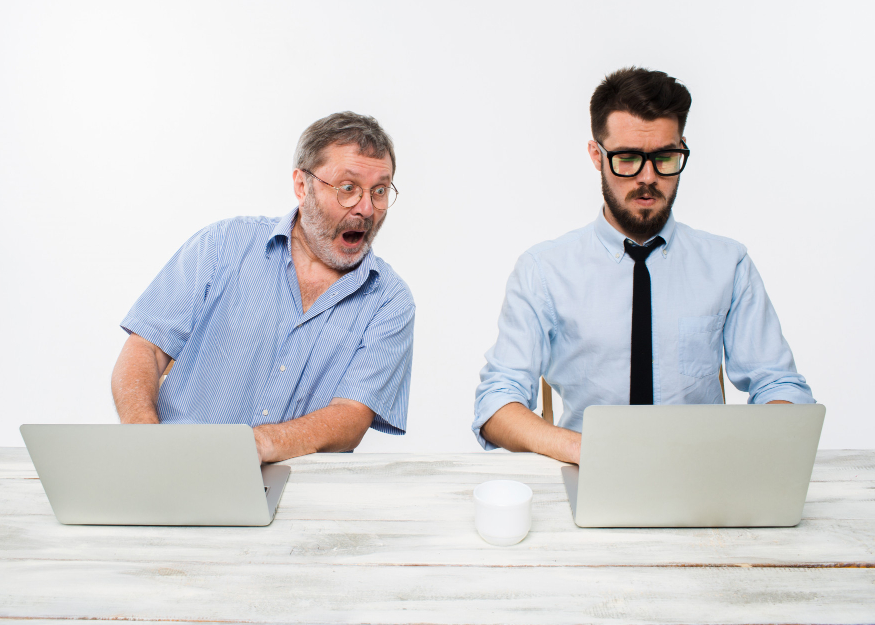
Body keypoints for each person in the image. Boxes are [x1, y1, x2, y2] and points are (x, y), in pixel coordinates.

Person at [473, 67, 814, 464]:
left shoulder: (727, 264)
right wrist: (581, 450)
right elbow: (496, 402)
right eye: (628, 159)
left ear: (681, 149)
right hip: (589, 471)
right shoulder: (544, 270)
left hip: (703, 478)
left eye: (665, 157)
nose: (648, 178)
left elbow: (779, 383)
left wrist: (749, 450)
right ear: (596, 155)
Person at [112, 112, 415, 463]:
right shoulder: (222, 245)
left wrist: (251, 448)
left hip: (299, 496)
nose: (366, 208)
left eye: (379, 191)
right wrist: (142, 439)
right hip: (174, 468)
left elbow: (351, 415)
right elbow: (145, 349)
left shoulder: (390, 301)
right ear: (303, 185)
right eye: (348, 188)